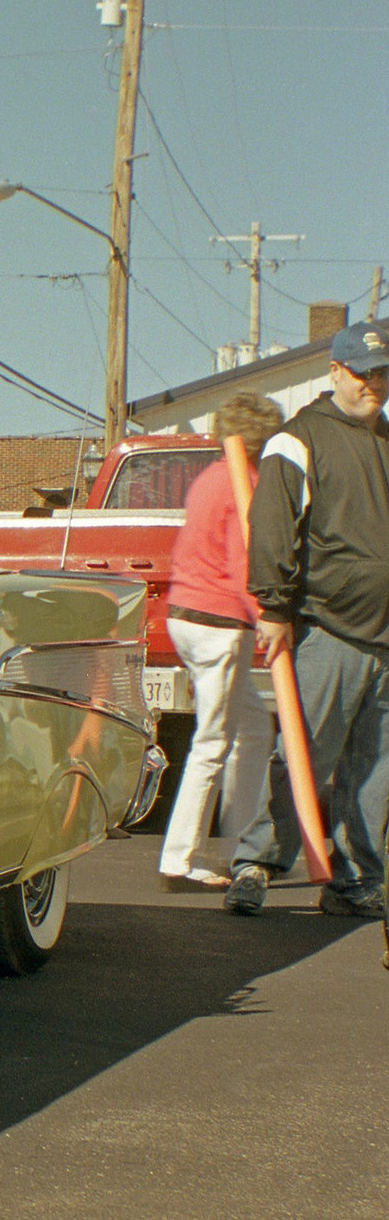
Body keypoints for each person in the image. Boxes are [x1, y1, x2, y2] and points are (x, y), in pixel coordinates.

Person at [225, 320, 389, 916]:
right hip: (329, 627)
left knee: (375, 770)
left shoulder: (387, 440)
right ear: (336, 372)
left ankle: (354, 881)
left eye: (383, 374)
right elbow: (272, 526)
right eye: (364, 373)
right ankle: (255, 863)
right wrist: (273, 606)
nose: (375, 384)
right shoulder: (300, 440)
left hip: (387, 639)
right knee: (303, 755)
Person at [156, 392, 285, 890]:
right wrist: (271, 618)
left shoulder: (208, 478)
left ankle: (242, 843)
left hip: (184, 617)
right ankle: (179, 860)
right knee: (211, 744)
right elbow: (243, 566)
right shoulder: (245, 485)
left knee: (254, 728)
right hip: (218, 625)